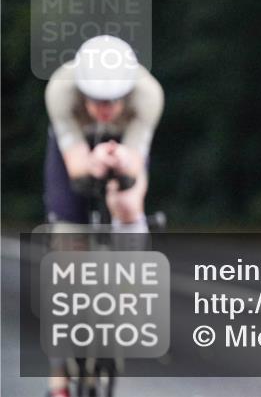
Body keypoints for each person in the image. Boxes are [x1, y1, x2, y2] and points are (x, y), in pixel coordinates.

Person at [42, 34, 164, 397]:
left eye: (112, 100)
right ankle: (59, 379)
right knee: (66, 247)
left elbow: (135, 164)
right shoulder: (60, 90)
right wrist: (92, 164)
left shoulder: (148, 94)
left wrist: (122, 169)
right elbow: (77, 167)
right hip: (77, 151)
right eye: (96, 100)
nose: (105, 108)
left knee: (127, 203)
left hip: (125, 147)